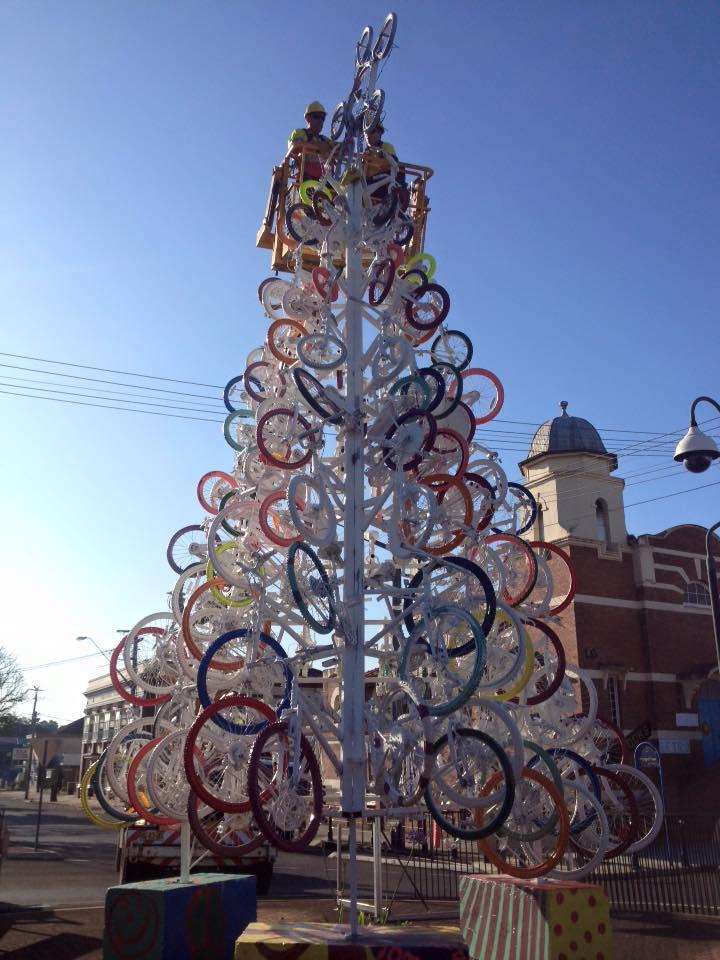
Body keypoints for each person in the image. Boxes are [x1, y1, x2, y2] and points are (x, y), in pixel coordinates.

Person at [363, 123, 408, 206]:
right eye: (366, 132)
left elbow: (393, 163)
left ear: (379, 134)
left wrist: (381, 155)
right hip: (370, 185)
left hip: (383, 184)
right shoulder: (365, 154)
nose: (368, 135)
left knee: (399, 170)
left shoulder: (385, 146)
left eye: (372, 131)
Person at [287, 101, 332, 182]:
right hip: (306, 178)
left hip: (325, 180)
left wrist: (348, 141)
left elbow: (339, 148)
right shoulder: (300, 133)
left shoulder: (324, 139)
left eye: (323, 118)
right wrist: (319, 146)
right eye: (317, 117)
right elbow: (296, 145)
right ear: (308, 118)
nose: (320, 121)